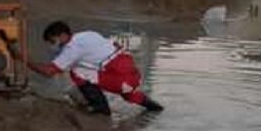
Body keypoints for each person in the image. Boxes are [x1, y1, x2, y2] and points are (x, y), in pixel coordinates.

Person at [21, 21, 163, 115]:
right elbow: (114, 46)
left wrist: (24, 59)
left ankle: (100, 108)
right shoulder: (87, 34)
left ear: (63, 35)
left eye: (53, 41)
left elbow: (49, 72)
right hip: (131, 73)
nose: (52, 45)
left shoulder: (72, 48)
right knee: (129, 93)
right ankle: (155, 108)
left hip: (120, 76)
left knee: (76, 72)